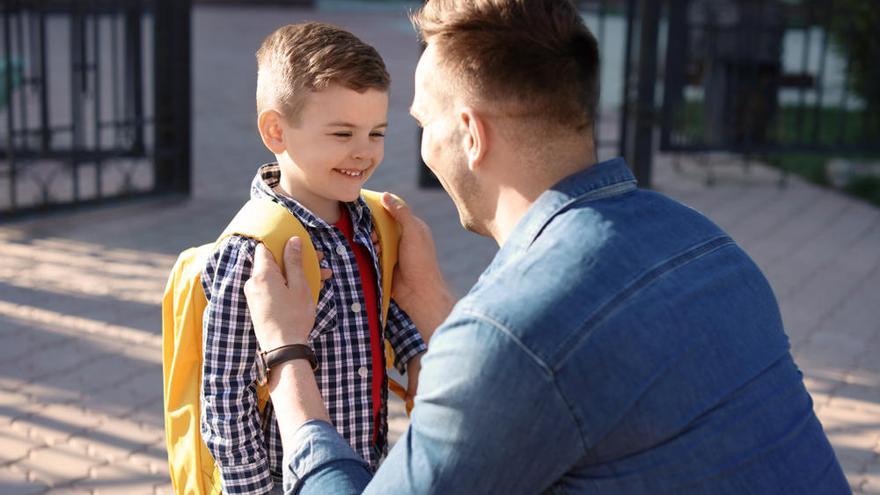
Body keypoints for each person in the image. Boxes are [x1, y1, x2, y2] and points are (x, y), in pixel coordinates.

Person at [243, 1, 850, 493]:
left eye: (422, 124)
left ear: (470, 135)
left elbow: (525, 356)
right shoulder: (705, 241)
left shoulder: (507, 336)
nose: (415, 147)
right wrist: (430, 301)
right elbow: (550, 382)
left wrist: (287, 354)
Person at [200, 22, 426, 494]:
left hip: (360, 469)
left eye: (377, 133)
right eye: (343, 133)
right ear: (276, 130)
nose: (363, 153)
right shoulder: (254, 250)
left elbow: (380, 307)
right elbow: (224, 396)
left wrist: (419, 354)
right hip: (292, 480)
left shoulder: (370, 221)